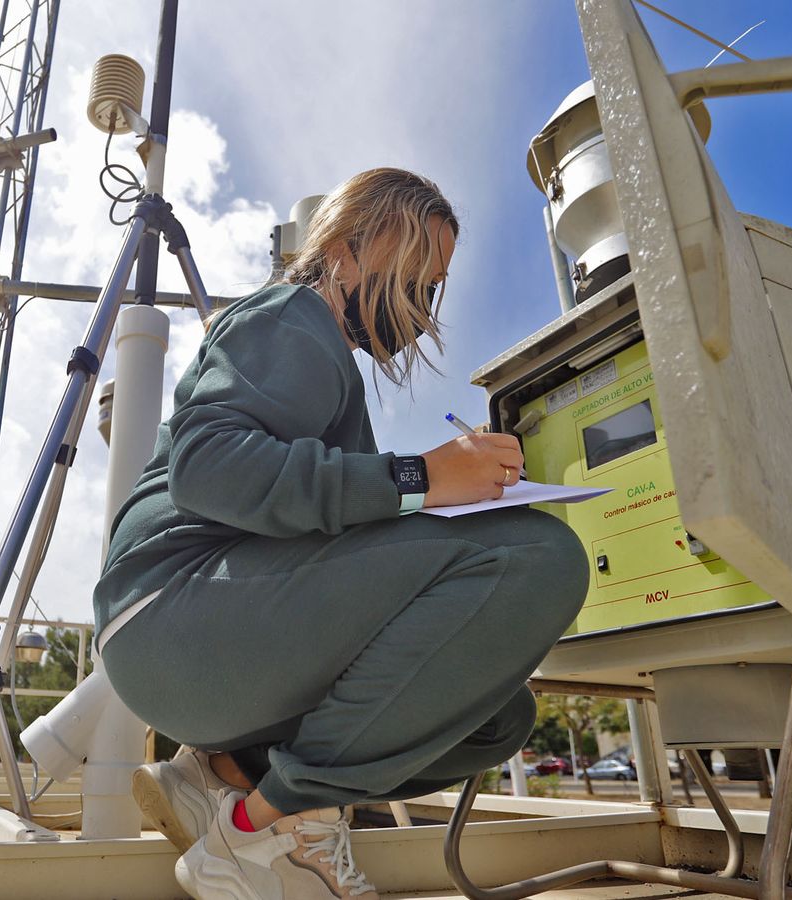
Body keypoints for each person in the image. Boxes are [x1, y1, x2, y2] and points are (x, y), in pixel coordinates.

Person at [93, 167, 588, 899]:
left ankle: (224, 778)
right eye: (413, 277)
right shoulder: (292, 315)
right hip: (172, 613)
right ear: (343, 254)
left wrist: (445, 492)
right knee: (540, 557)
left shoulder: (332, 367)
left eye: (433, 288)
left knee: (492, 714)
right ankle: (264, 833)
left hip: (196, 647)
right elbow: (209, 468)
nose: (421, 309)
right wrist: (421, 477)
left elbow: (330, 517)